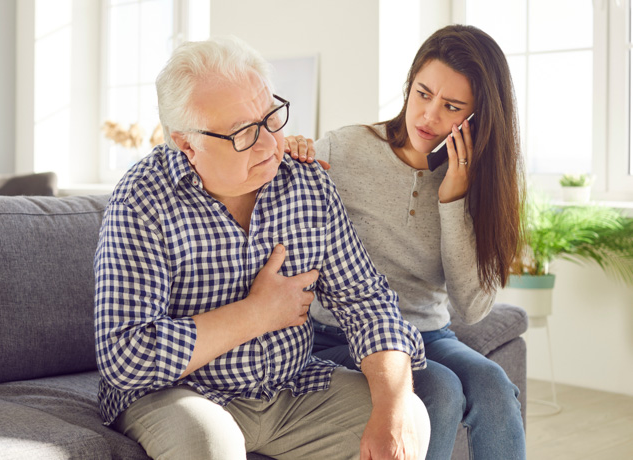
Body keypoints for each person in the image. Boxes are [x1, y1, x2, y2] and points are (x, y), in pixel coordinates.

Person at [94, 36, 431, 460]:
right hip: (177, 393)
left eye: (272, 118)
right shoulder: (142, 200)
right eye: (243, 133)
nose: (271, 144)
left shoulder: (308, 184)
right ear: (186, 144)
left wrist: (391, 408)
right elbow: (125, 355)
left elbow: (367, 302)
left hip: (292, 388)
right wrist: (256, 314)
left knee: (410, 417)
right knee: (208, 444)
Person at [286, 24, 526, 460]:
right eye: (422, 93)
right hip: (341, 333)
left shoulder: (480, 184)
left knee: (493, 388)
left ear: (478, 119)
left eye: (452, 106)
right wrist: (290, 152)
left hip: (429, 333)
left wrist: (453, 197)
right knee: (441, 389)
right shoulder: (346, 149)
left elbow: (471, 308)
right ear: (409, 85)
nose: (428, 116)